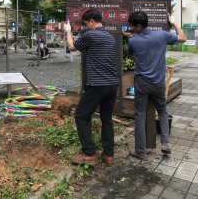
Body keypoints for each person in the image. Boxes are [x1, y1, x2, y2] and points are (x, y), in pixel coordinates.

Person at [125, 11, 186, 159]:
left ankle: (140, 151)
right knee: (163, 111)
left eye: (133, 26)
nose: (132, 29)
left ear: (139, 26)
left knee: (140, 114)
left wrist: (131, 39)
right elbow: (183, 38)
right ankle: (165, 143)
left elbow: (131, 55)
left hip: (141, 83)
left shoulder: (133, 41)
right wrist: (173, 22)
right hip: (158, 82)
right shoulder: (161, 35)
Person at [63, 9, 118, 166]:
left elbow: (72, 47)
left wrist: (68, 31)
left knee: (81, 116)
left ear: (92, 21)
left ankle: (89, 153)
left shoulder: (91, 35)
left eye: (87, 24)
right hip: (112, 84)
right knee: (106, 119)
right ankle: (108, 154)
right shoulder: (109, 37)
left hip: (97, 85)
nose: (86, 27)